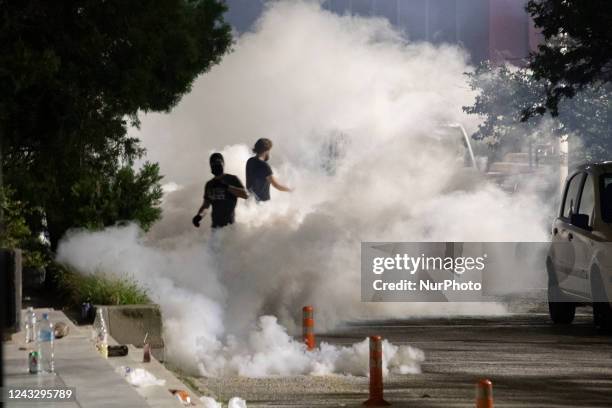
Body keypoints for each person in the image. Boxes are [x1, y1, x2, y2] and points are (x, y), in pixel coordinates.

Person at [193, 153, 248, 229]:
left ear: (223, 164)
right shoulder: (209, 184)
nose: (216, 165)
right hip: (215, 227)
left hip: (229, 227)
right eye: (213, 163)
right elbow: (206, 205)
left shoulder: (232, 179)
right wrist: (199, 216)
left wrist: (226, 186)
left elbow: (245, 195)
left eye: (218, 162)